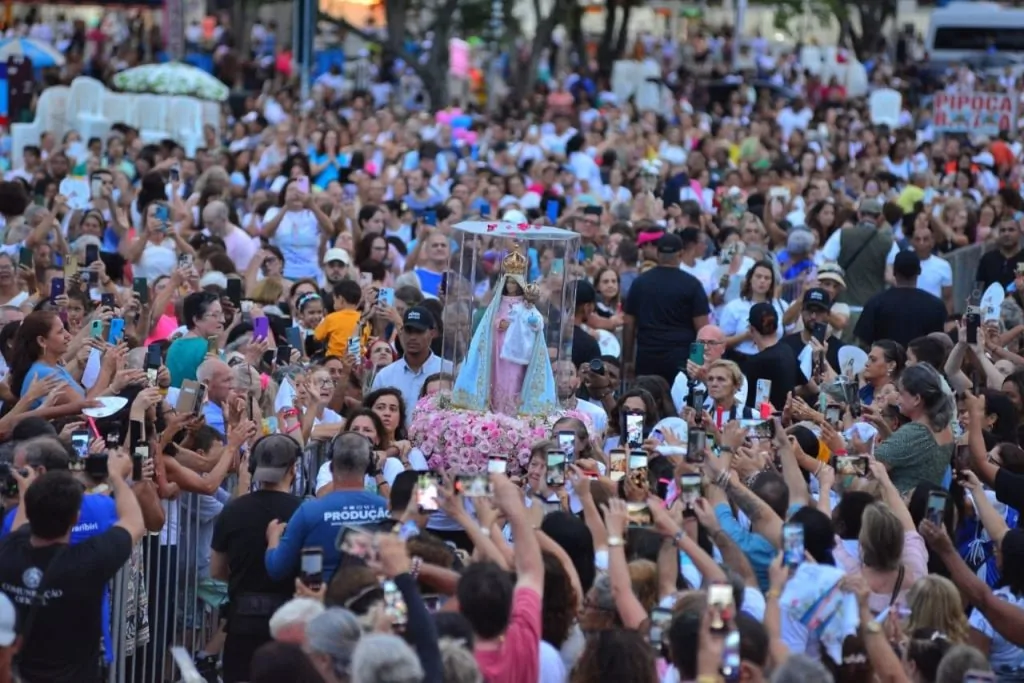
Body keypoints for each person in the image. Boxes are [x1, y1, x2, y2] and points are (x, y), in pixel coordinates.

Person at [0, 450, 144, 683]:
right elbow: (134, 522)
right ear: (76, 518)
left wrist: (28, 490)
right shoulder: (88, 561)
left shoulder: (8, 552)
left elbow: (20, 528)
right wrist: (117, 477)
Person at [211, 435, 303, 683]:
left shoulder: (232, 510)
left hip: (243, 622)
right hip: (291, 622)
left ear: (253, 469)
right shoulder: (304, 511)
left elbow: (217, 568)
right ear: (293, 469)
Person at [265, 433, 389, 584]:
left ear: (331, 467)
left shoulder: (308, 512)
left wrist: (272, 539)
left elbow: (277, 568)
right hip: (374, 601)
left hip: (323, 603)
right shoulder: (387, 509)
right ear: (368, 466)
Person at [452, 248, 556, 416]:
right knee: (498, 376)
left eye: (514, 283)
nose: (511, 286)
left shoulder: (526, 304)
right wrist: (500, 323)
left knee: (514, 377)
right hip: (499, 345)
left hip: (518, 348)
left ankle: (512, 410)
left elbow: (536, 322)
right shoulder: (498, 302)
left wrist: (530, 321)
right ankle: (496, 408)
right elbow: (490, 321)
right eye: (508, 283)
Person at [623, 233, 710, 385]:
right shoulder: (692, 284)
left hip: (647, 357)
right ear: (681, 254)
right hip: (681, 359)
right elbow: (702, 330)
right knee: (679, 405)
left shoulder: (640, 283)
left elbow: (629, 324)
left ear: (657, 253)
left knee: (646, 402)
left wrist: (628, 360)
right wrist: (698, 362)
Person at [370, 307, 451, 425]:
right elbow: (374, 416)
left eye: (419, 331)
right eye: (408, 331)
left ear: (432, 333)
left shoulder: (447, 369)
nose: (413, 337)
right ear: (401, 332)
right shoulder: (385, 375)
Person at [855, 251, 947, 348]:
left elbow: (863, 342)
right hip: (923, 362)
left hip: (886, 361)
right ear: (919, 271)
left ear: (894, 272)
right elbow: (941, 342)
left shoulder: (876, 302)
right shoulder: (935, 305)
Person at [742, 302, 798, 411]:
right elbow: (806, 384)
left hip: (769, 423)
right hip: (790, 419)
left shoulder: (756, 362)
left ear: (751, 329)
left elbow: (752, 406)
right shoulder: (787, 350)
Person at [976, 216, 1024, 291]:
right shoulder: (987, 259)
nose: (1006, 234)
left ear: (1019, 233)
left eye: (1011, 230)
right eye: (1003, 230)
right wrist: (973, 301)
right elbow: (978, 286)